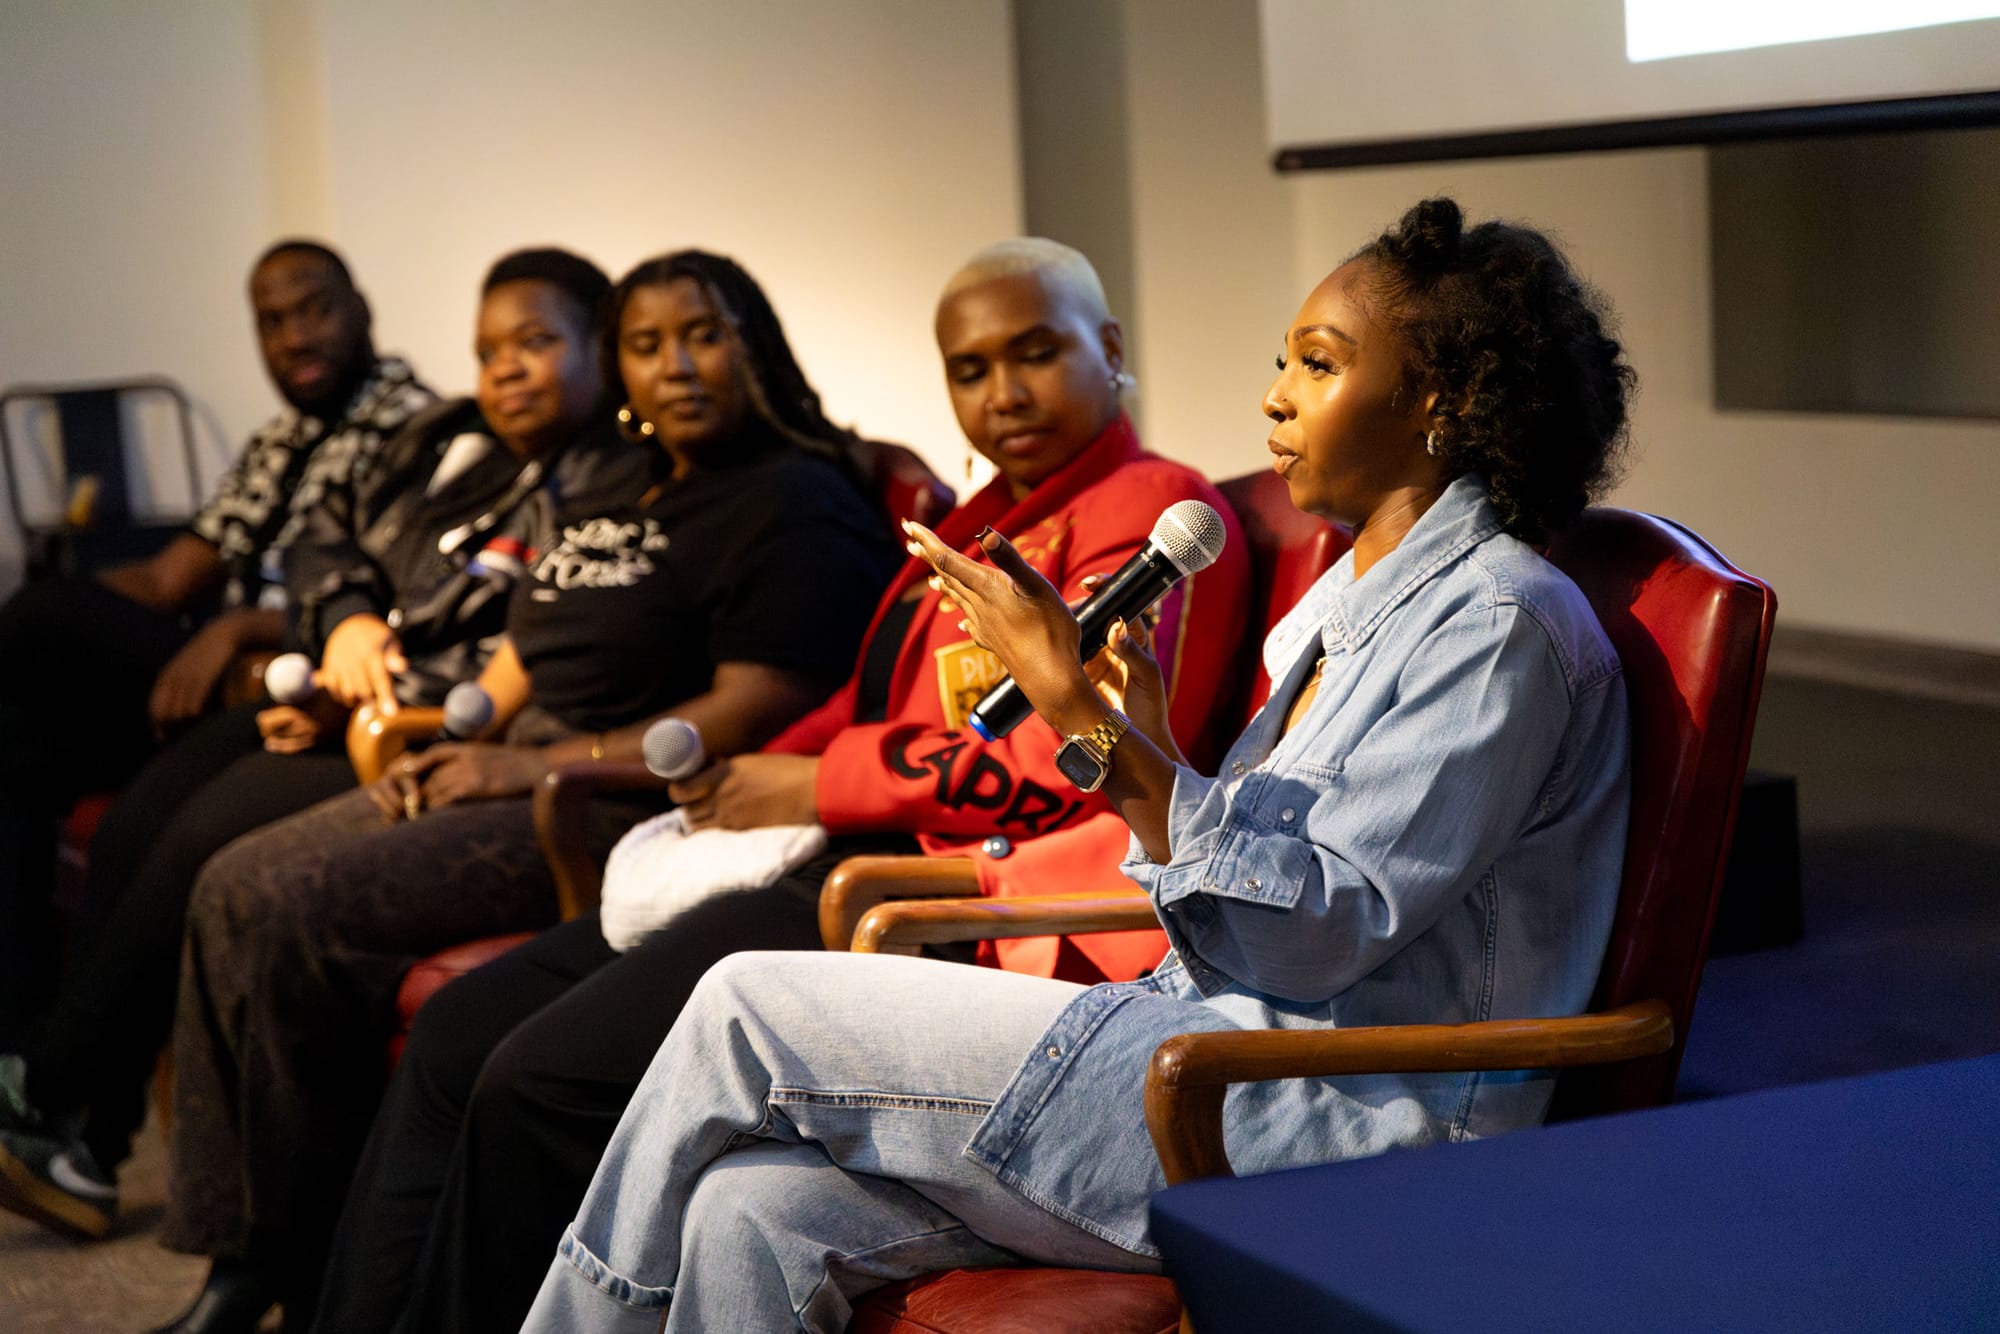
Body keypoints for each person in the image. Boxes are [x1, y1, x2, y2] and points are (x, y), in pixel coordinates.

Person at [521, 197, 1639, 1333]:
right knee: (748, 1206)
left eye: (1316, 362)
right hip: (1199, 1040)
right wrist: (1140, 739)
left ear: (1439, 400)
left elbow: (1319, 930)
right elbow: (1246, 901)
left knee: (740, 1005)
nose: (1273, 394)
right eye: (1280, 359)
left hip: (1324, 1115)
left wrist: (1077, 715)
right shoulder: (1345, 607)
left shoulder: (1496, 621)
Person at [307, 237, 1251, 1334]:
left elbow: (1065, 763)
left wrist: (811, 783)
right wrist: (738, 775)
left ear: (1110, 349)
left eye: (1034, 353)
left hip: (944, 895)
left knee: (538, 1078)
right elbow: (869, 704)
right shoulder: (974, 521)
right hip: (840, 856)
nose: (1002, 393)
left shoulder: (1148, 512)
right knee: (456, 1034)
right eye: (969, 368)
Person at [150, 249, 902, 1334]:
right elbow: (529, 646)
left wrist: (531, 764)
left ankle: (269, 1261)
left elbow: (740, 713)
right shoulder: (637, 492)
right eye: (646, 345)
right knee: (234, 877)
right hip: (530, 760)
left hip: (606, 798)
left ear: (755, 340)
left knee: (280, 901)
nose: (675, 366)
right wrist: (452, 724)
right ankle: (288, 1277)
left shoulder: (792, 500)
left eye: (702, 334)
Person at [0, 246, 634, 1243]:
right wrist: (338, 621)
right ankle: (73, 1120)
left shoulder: (609, 479)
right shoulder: (460, 438)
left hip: (406, 724)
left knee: (204, 842)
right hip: (343, 683)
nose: (504, 369)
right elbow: (333, 548)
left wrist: (337, 672)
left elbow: (528, 651)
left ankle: (45, 1087)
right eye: (487, 349)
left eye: (536, 342)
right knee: (134, 812)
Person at [0, 242, 433, 1045]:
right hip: (214, 672)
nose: (296, 337)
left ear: (362, 310)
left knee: (35, 624)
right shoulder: (282, 438)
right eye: (272, 322)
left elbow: (394, 599)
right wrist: (80, 606)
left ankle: (57, 1067)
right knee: (16, 734)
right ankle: (19, 1042)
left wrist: (234, 626)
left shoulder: (412, 430)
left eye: (315, 310)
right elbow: (169, 580)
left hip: (290, 675)